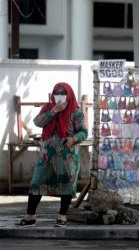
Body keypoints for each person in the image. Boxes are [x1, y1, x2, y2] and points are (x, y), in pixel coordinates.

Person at [16, 83, 88, 227]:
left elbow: (83, 132)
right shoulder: (48, 108)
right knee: (37, 182)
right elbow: (37, 122)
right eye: (57, 92)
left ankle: (62, 216)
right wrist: (54, 110)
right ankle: (30, 216)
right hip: (47, 156)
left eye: (63, 93)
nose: (59, 95)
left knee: (66, 184)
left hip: (67, 156)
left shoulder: (76, 112)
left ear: (69, 95)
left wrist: (73, 138)